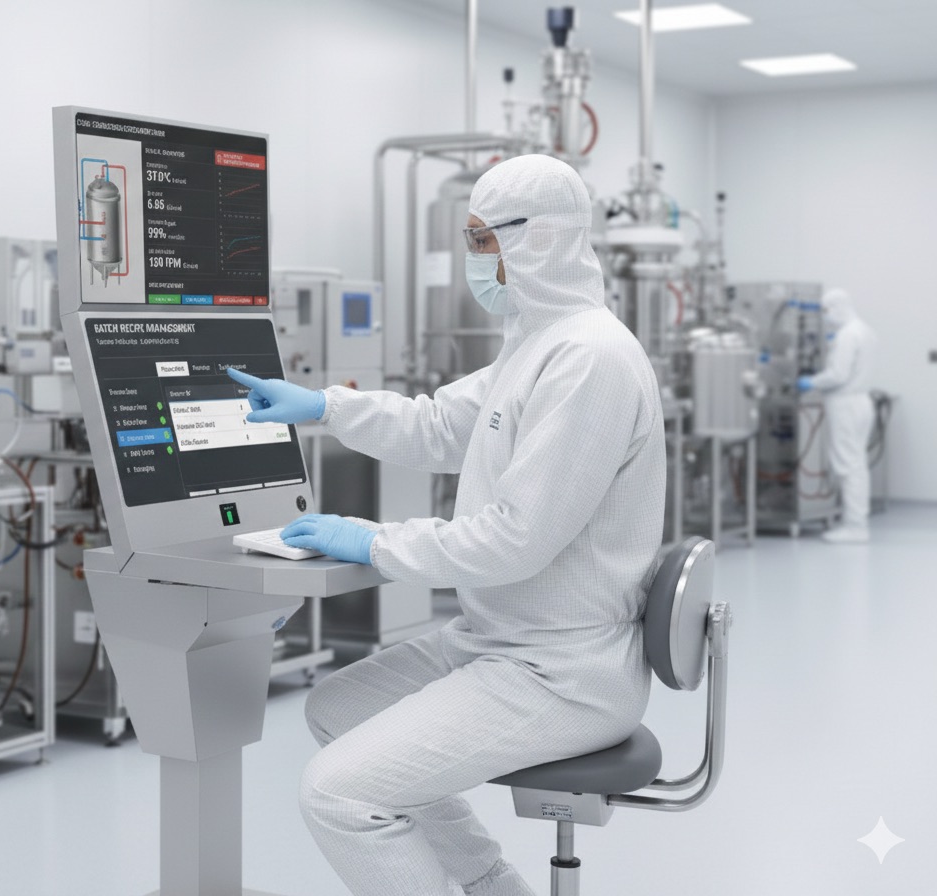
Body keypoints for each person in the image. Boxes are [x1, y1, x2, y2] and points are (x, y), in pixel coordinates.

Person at [227, 155, 665, 896]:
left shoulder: (590, 358)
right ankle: (490, 884)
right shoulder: (536, 339)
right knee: (336, 709)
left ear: (538, 239)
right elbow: (436, 425)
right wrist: (323, 407)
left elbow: (513, 540)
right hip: (500, 641)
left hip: (562, 669)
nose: (471, 260)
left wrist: (374, 542)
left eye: (480, 239)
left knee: (338, 794)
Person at [797, 288, 878, 543]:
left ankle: (855, 526)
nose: (826, 316)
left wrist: (811, 382)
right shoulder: (865, 330)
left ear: (840, 306)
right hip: (861, 401)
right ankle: (856, 522)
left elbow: (838, 374)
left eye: (828, 310)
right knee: (856, 463)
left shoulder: (847, 335)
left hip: (846, 403)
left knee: (847, 464)